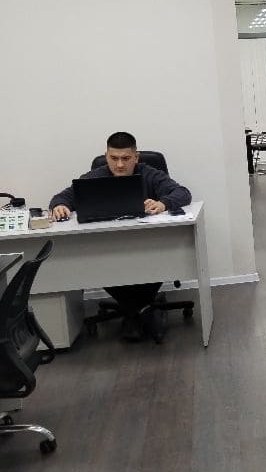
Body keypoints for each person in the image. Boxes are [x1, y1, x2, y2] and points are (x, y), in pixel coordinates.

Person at [49, 132, 192, 340]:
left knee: (158, 258)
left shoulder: (149, 174)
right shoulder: (96, 176)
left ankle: (133, 312)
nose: (119, 165)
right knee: (96, 263)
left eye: (126, 158)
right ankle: (141, 309)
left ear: (136, 157)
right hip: (107, 248)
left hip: (148, 246)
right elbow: (62, 197)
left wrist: (163, 203)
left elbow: (183, 193)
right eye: (113, 158)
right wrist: (59, 205)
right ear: (106, 156)